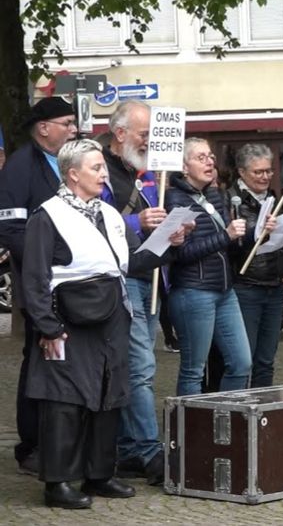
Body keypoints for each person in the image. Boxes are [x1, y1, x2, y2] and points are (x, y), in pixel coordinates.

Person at [20, 139, 186, 508]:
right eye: (95, 168)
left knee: (108, 395)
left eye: (103, 167)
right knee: (63, 401)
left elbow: (131, 262)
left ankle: (99, 474)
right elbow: (32, 279)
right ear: (72, 173)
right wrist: (48, 327)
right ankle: (58, 483)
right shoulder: (46, 216)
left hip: (111, 316)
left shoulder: (109, 214)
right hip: (68, 319)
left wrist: (169, 245)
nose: (103, 173)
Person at [0, 96, 78, 475]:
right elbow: (10, 228)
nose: (73, 129)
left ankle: (67, 440)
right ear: (43, 127)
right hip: (41, 283)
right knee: (38, 362)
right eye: (66, 122)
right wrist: (48, 257)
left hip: (78, 283)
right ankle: (31, 444)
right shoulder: (20, 166)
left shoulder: (72, 163)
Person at [97, 100, 170, 485]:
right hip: (123, 279)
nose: (149, 140)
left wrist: (172, 232)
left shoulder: (146, 170)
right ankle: (150, 450)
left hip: (150, 275)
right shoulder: (98, 168)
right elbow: (93, 218)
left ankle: (128, 450)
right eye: (144, 133)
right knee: (141, 369)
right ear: (120, 133)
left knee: (135, 367)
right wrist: (135, 220)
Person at [165, 138, 256, 396]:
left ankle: (224, 422)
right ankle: (189, 430)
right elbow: (181, 253)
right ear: (184, 167)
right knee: (194, 369)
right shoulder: (174, 198)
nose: (210, 162)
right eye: (201, 157)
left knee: (241, 363)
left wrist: (257, 233)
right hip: (194, 291)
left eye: (211, 157)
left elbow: (230, 245)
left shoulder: (213, 194)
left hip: (224, 290)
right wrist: (225, 235)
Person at [226, 143, 283, 388]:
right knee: (245, 358)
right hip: (247, 286)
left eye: (268, 171)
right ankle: (243, 412)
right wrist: (259, 233)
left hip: (274, 285)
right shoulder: (231, 201)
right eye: (258, 172)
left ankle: (263, 410)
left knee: (267, 358)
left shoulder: (275, 198)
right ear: (242, 172)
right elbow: (232, 246)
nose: (265, 176)